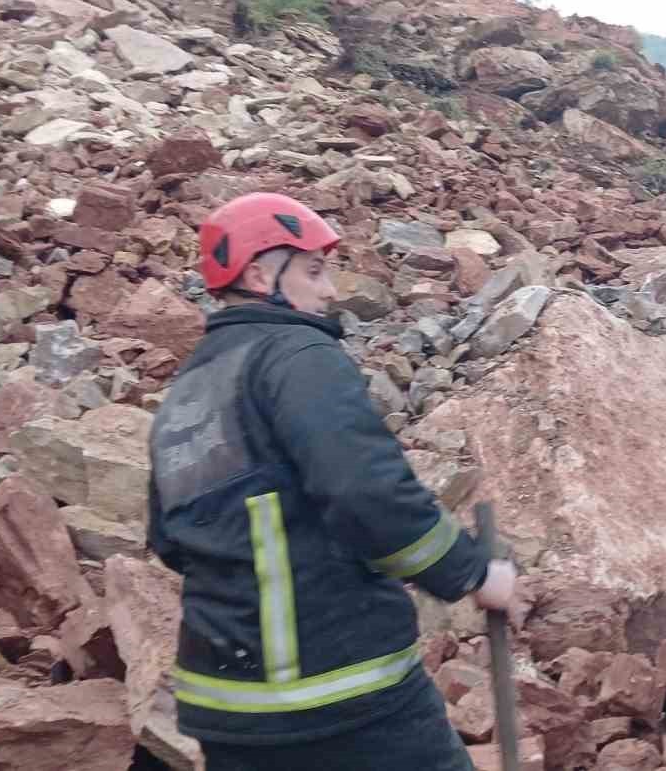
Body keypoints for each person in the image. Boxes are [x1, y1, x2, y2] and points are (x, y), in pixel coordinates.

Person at [146, 192, 521, 770]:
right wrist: (469, 571)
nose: (329, 291)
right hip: (337, 689)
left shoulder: (187, 392)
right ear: (259, 275)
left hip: (224, 709)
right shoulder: (297, 353)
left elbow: (169, 541)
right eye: (314, 271)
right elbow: (365, 490)